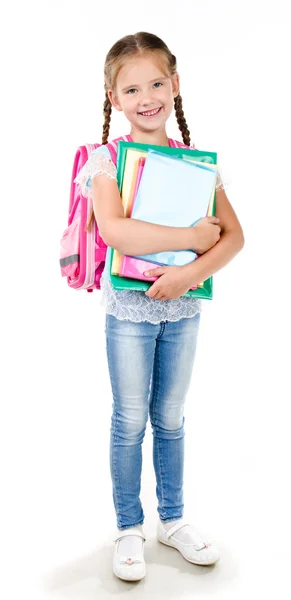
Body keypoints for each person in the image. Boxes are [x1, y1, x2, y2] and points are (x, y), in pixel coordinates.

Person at [75, 31, 244, 582]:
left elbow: (234, 237)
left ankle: (172, 519)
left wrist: (188, 275)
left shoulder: (196, 163)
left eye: (156, 83)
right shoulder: (106, 161)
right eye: (131, 89)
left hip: (182, 309)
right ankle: (129, 525)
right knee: (129, 420)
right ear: (113, 97)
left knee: (170, 418)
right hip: (129, 309)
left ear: (175, 84)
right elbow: (117, 230)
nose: (146, 97)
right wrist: (193, 236)